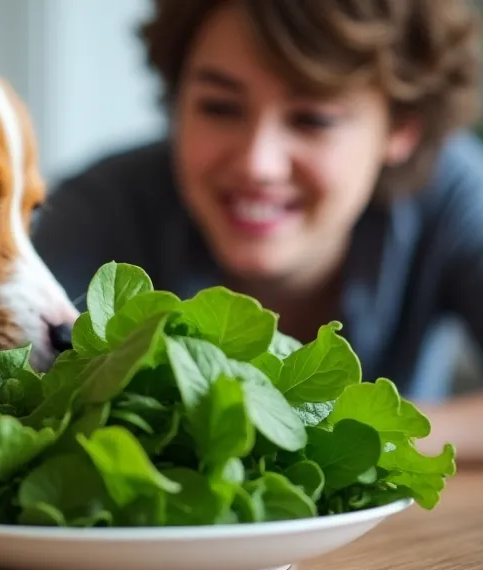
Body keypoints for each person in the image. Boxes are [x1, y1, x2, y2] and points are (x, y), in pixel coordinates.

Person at [32, 0, 483, 464]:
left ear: (402, 127)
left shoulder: (457, 196)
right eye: (220, 107)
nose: (257, 164)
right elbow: (14, 392)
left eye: (313, 119)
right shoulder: (100, 205)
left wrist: (311, 431)